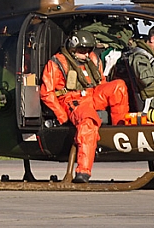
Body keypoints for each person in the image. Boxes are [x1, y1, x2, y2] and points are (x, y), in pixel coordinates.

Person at [40, 30, 129, 183]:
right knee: (88, 121)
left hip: (91, 94)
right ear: (73, 48)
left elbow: (100, 82)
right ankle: (83, 171)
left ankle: (120, 132)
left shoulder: (93, 59)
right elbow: (46, 93)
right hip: (71, 99)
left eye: (88, 50)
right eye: (82, 51)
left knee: (118, 86)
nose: (86, 54)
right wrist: (62, 116)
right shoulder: (57, 63)